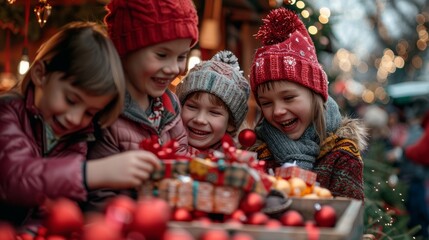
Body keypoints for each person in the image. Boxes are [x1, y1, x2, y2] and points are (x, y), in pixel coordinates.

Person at [0, 22, 162, 231]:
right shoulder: (7, 112)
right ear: (40, 74)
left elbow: (54, 205)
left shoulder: (76, 136)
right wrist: (90, 173)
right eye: (71, 100)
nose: (76, 119)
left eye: (89, 112)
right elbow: (13, 178)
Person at [83, 0, 199, 211]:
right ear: (125, 49)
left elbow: (182, 163)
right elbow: (98, 196)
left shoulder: (170, 106)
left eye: (182, 56)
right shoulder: (106, 111)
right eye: (161, 55)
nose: (174, 68)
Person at [248, 8, 367, 200]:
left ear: (315, 95)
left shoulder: (342, 155)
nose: (278, 111)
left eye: (288, 98)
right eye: (266, 103)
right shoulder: (258, 152)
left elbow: (348, 216)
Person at [175, 50, 250, 155]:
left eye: (214, 112)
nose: (200, 120)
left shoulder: (237, 162)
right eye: (192, 107)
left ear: (231, 123)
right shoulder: (161, 145)